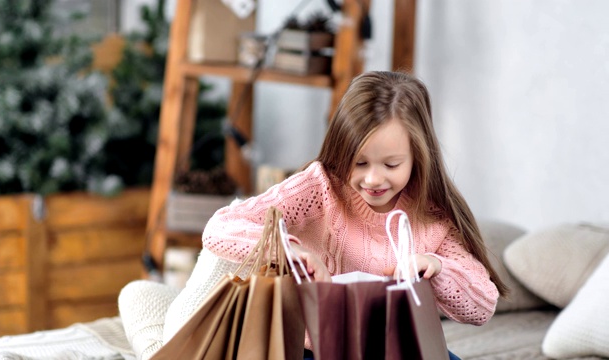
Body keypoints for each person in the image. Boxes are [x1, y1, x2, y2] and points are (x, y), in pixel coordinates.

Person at [199, 71, 507, 359]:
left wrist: (437, 267)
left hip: (394, 349)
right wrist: (290, 250)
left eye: (391, 165)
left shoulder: (433, 216)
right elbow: (221, 227)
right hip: (314, 349)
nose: (373, 179)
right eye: (359, 163)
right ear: (341, 148)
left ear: (418, 156)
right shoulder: (318, 188)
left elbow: (482, 306)